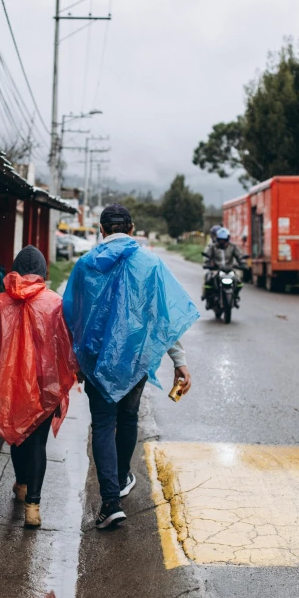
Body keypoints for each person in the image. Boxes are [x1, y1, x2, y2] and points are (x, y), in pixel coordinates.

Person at [63, 203, 199, 529]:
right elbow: (162, 316)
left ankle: (110, 501)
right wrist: (179, 362)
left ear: (101, 230)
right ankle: (122, 478)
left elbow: (73, 317)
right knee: (127, 419)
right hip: (135, 359)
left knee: (102, 424)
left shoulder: (84, 265)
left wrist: (75, 359)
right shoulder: (150, 264)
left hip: (96, 361)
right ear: (133, 228)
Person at [0, 245, 78, 529]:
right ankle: (33, 506)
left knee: (17, 437)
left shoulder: (0, 303)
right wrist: (69, 378)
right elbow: (66, 348)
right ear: (43, 272)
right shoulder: (55, 303)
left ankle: (21, 484)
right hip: (46, 385)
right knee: (38, 442)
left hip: (10, 386)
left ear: (15, 271)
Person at [202, 226, 246, 304]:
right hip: (216, 269)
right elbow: (207, 256)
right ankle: (207, 296)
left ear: (227, 239)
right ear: (217, 239)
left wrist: (242, 263)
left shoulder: (232, 247)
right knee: (208, 279)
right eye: (220, 240)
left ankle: (235, 295)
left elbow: (239, 256)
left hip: (229, 269)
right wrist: (207, 263)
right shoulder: (213, 247)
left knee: (239, 281)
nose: (222, 242)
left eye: (224, 240)